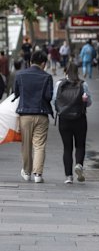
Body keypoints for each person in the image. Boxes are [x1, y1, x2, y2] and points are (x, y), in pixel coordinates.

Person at [14, 50, 53, 183]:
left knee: (26, 145)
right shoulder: (47, 77)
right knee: (39, 145)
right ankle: (38, 174)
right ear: (43, 64)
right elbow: (48, 96)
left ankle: (26, 172)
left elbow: (16, 93)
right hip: (41, 115)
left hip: (25, 114)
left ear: (30, 62)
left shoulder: (20, 75)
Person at [53, 62, 92, 184]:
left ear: (65, 71)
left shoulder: (59, 84)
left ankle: (68, 177)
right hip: (80, 118)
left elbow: (54, 101)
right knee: (80, 145)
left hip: (64, 119)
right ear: (77, 72)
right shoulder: (83, 84)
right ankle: (79, 165)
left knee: (67, 147)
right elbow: (89, 102)